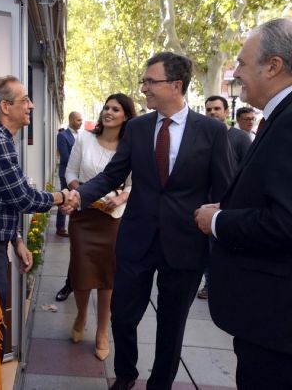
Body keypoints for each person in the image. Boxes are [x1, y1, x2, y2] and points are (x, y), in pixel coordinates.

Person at [63, 52, 232, 390]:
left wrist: (219, 234)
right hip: (136, 239)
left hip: (185, 245)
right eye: (144, 82)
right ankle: (125, 374)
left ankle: (161, 383)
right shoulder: (138, 128)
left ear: (175, 85)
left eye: (150, 82)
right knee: (123, 315)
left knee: (172, 324)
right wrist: (80, 196)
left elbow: (224, 189)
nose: (143, 89)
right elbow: (113, 174)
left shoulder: (211, 131)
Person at [195, 18, 292, 390]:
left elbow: (284, 223)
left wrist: (219, 220)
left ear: (273, 66)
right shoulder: (278, 118)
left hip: (275, 322)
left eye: (242, 63)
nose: (235, 72)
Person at [0, 75, 78, 359]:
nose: (31, 105)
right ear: (5, 107)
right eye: (25, 100)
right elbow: (22, 198)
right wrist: (62, 196)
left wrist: (17, 240)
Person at [65, 93, 135, 361]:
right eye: (106, 107)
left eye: (115, 109)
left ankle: (103, 331)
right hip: (84, 215)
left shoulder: (130, 146)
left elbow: (133, 183)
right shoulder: (84, 138)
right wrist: (80, 191)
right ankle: (82, 316)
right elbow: (70, 173)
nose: (108, 112)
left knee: (108, 277)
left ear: (126, 116)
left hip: (112, 218)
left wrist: (120, 197)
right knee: (81, 272)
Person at [198, 95, 252, 299]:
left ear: (226, 112)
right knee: (205, 248)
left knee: (221, 247)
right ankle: (209, 283)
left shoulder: (240, 138)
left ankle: (219, 285)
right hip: (202, 202)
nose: (212, 113)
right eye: (209, 109)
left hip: (228, 205)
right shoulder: (202, 135)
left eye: (217, 109)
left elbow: (248, 170)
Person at [55, 111, 83, 302]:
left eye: (82, 120)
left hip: (80, 177)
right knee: (63, 200)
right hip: (67, 174)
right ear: (71, 119)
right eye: (78, 120)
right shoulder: (62, 135)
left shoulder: (82, 136)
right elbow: (66, 157)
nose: (81, 122)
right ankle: (60, 226)